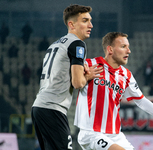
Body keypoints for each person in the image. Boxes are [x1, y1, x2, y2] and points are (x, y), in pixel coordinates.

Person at [74, 32, 153, 150]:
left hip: (115, 135)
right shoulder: (90, 65)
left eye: (128, 47)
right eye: (123, 47)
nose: (128, 51)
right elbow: (72, 83)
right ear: (110, 49)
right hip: (92, 133)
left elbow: (141, 101)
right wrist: (84, 77)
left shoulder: (126, 75)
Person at [31, 4, 103, 150]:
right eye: (85, 20)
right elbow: (77, 83)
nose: (91, 25)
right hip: (53, 108)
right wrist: (87, 77)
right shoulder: (77, 44)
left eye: (90, 20)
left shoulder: (55, 44)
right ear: (71, 24)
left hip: (39, 107)